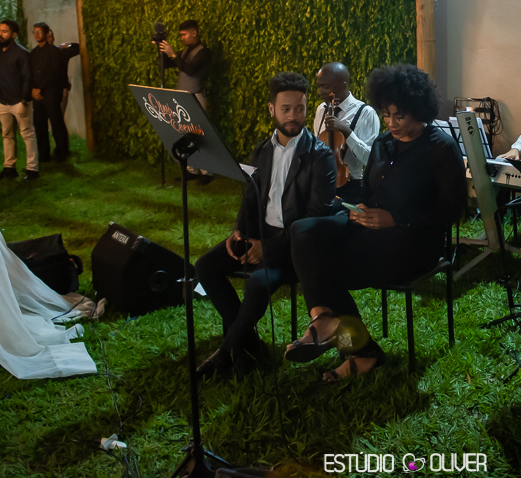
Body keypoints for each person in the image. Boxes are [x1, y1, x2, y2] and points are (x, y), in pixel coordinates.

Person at [285, 64, 466, 381]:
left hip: (415, 241)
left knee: (325, 269)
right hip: (369, 228)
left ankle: (359, 351)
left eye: (400, 116)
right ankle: (323, 319)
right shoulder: (383, 143)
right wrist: (362, 207)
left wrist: (396, 219)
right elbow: (368, 191)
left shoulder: (441, 148)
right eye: (387, 115)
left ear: (419, 112)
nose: (391, 123)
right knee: (303, 231)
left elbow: (453, 209)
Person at [194, 72, 336, 381]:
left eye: (299, 108)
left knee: (258, 283)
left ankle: (227, 351)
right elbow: (249, 198)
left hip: (295, 246)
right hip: (260, 234)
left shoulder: (320, 156)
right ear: (272, 109)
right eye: (286, 109)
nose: (293, 116)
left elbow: (313, 218)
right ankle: (249, 345)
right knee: (205, 266)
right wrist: (239, 231)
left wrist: (267, 248)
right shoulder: (261, 151)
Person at [312, 62, 381, 204]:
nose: (320, 91)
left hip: (351, 187)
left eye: (326, 86)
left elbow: (370, 160)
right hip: (322, 184)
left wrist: (346, 131)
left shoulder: (366, 113)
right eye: (319, 86)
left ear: (343, 86)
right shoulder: (321, 109)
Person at [157, 19, 213, 182]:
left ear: (194, 33)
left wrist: (174, 54)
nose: (181, 38)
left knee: (201, 135)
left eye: (184, 35)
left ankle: (207, 172)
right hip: (182, 98)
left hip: (196, 97)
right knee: (185, 134)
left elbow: (191, 70)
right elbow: (166, 65)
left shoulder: (204, 53)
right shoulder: (185, 51)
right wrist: (161, 49)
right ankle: (191, 170)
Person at [0, 20, 38, 180]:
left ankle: (32, 169)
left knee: (27, 133)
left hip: (19, 101)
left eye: (4, 31)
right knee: (7, 135)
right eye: (0, 30)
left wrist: (24, 100)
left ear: (14, 35)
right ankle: (9, 167)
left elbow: (28, 77)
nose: (0, 34)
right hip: (3, 101)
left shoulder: (21, 53)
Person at [29, 23, 74, 162]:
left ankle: (62, 152)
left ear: (46, 33)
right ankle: (43, 154)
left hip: (51, 93)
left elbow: (54, 73)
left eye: (40, 32)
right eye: (35, 32)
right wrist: (33, 90)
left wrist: (41, 88)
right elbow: (31, 73)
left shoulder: (55, 52)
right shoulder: (33, 53)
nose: (37, 34)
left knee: (56, 122)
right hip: (37, 95)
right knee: (39, 124)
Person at [46, 29, 79, 114]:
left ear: (53, 39)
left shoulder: (61, 51)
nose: (47, 39)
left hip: (61, 89)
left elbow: (78, 48)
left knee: (59, 115)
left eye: (49, 36)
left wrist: (69, 44)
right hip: (46, 92)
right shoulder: (37, 54)